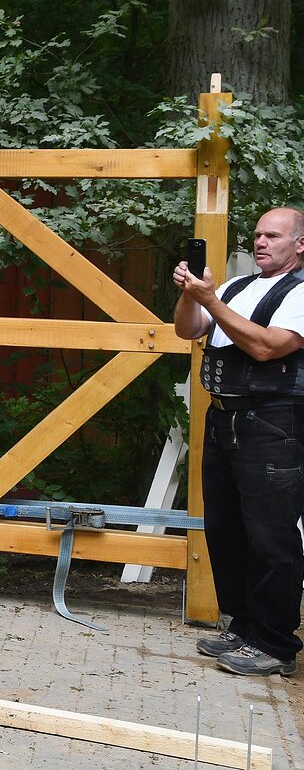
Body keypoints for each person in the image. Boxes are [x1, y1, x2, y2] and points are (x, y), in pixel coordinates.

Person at [173, 206, 304, 676]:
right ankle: (244, 626)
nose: (261, 242)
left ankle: (275, 644)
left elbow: (267, 346)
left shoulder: (301, 292)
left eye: (273, 235)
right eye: (257, 235)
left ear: (300, 245)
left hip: (274, 421)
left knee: (271, 533)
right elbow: (187, 330)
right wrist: (193, 295)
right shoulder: (235, 287)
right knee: (226, 529)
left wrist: (211, 301)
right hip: (222, 416)